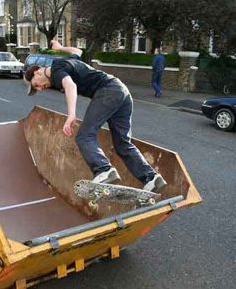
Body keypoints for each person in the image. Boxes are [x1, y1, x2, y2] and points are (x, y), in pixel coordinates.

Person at [24, 40, 166, 193]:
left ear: (37, 72)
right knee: (122, 144)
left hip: (108, 91)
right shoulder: (67, 61)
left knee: (84, 136)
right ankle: (150, 178)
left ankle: (103, 170)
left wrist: (71, 115)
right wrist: (60, 48)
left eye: (36, 85)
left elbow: (70, 85)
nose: (40, 89)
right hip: (122, 92)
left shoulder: (55, 70)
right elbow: (77, 51)